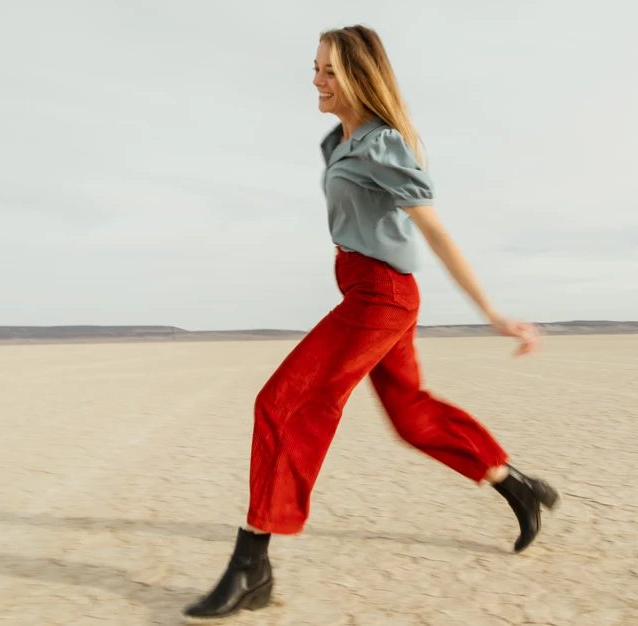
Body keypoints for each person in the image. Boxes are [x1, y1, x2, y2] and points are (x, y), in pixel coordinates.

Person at [183, 24, 559, 620]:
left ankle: (253, 565)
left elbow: (434, 230)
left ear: (360, 76)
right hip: (366, 287)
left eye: (329, 71)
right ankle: (517, 484)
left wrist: (493, 314)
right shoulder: (339, 142)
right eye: (315, 68)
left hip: (380, 297)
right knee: (410, 415)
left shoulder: (384, 145)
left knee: (284, 404)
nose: (316, 80)